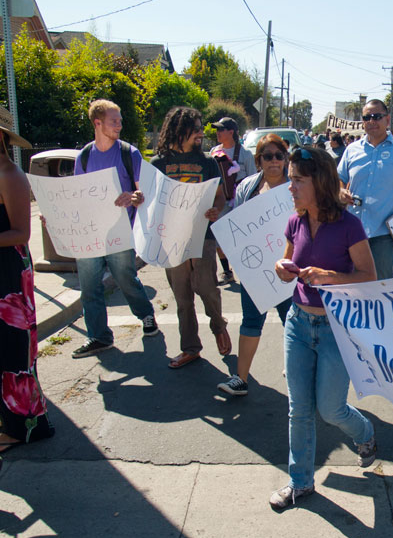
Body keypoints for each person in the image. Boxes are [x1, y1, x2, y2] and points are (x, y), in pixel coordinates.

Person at [270, 147, 378, 510]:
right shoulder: (294, 221)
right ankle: (300, 482)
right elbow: (288, 263)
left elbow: (368, 276)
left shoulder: (349, 225)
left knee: (331, 410)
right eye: (290, 180)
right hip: (298, 324)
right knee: (299, 409)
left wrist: (329, 277)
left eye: (298, 180)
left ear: (320, 182)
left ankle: (365, 433)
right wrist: (282, 268)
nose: (291, 187)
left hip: (336, 329)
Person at [72, 99, 159, 359]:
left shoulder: (128, 153)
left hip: (120, 233)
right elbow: (76, 195)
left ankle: (146, 314)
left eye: (120, 120)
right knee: (89, 287)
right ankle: (99, 336)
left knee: (125, 278)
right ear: (97, 123)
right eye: (114, 121)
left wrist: (133, 197)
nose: (119, 125)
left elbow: (143, 192)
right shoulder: (84, 156)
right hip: (91, 233)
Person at [150, 106, 230, 369]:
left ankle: (218, 325)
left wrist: (216, 209)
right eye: (195, 128)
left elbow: (220, 196)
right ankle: (190, 348)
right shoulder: (158, 164)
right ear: (179, 129)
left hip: (203, 236)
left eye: (200, 128)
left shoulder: (208, 163)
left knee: (207, 288)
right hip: (171, 240)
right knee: (182, 297)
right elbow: (150, 201)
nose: (200, 133)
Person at [217, 134, 292, 396]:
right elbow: (238, 224)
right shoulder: (246, 188)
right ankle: (241, 378)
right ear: (258, 160)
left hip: (290, 269)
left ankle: (297, 368)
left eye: (279, 155)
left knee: (293, 322)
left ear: (286, 159)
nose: (274, 161)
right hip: (257, 270)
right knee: (250, 321)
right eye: (267, 156)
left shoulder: (297, 185)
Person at [0, 109, 55, 461]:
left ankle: (23, 428)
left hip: (8, 274)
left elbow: (21, 233)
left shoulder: (10, 175)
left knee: (13, 350)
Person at [337, 99, 393, 280]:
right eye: (367, 117)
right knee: (350, 283)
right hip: (351, 230)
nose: (371, 121)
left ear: (387, 120)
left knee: (380, 285)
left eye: (377, 117)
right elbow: (339, 179)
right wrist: (341, 191)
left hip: (383, 234)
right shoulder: (351, 150)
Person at [210, 116, 257, 285]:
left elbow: (253, 179)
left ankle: (247, 271)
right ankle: (227, 271)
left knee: (241, 239)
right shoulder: (214, 152)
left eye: (221, 129)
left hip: (239, 204)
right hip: (220, 201)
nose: (217, 133)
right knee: (219, 237)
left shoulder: (245, 154)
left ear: (231, 132)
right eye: (217, 129)